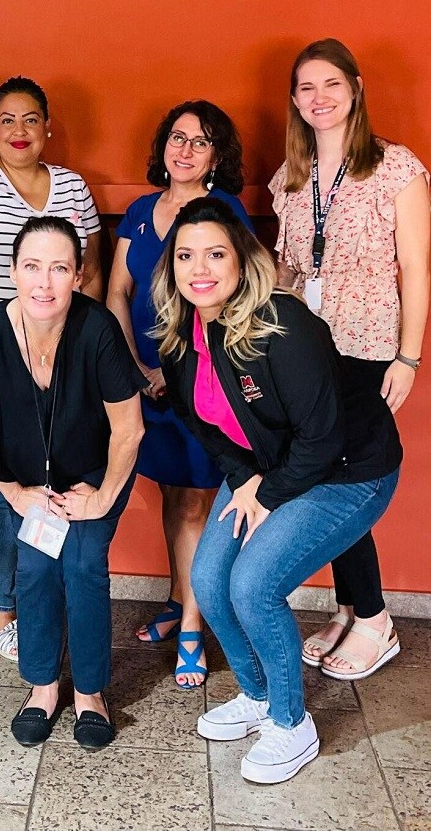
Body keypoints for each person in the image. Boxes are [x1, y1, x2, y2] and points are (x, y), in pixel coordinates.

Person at [153, 197, 401, 783]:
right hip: (270, 470)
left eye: (215, 253)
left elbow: (323, 436)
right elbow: (204, 427)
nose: (200, 268)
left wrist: (268, 493)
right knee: (210, 580)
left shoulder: (283, 326)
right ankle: (259, 696)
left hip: (349, 471)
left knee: (253, 584)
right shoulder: (182, 337)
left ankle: (292, 725)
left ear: (242, 260)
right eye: (185, 256)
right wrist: (246, 481)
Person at [0, 216, 146, 750]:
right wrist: (13, 492)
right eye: (32, 267)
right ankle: (41, 687)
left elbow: (129, 429)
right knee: (33, 566)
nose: (44, 282)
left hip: (97, 471)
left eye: (59, 268)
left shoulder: (97, 328)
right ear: (12, 272)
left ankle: (90, 693)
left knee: (80, 565)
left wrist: (102, 498)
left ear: (78, 276)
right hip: (30, 482)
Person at [270, 38, 429, 679]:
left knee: (350, 477)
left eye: (331, 84)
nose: (320, 98)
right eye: (306, 88)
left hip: (367, 348)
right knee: (325, 472)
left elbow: (416, 267)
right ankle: (348, 604)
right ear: (294, 100)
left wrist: (409, 357)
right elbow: (286, 266)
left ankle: (375, 619)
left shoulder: (396, 168)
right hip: (306, 351)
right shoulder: (291, 176)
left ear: (356, 87)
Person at [0, 76, 103, 661]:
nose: (19, 131)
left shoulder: (74, 188)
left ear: (48, 127)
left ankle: (33, 600)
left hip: (63, 355)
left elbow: (92, 273)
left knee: (50, 472)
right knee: (6, 479)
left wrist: (89, 348)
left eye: (31, 119)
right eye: (7, 119)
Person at [106, 100, 253, 688]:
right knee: (173, 496)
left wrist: (182, 372)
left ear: (217, 156)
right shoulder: (140, 213)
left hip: (201, 386)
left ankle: (193, 628)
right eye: (177, 137)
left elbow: (240, 295)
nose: (185, 148)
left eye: (200, 141)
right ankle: (176, 598)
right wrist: (138, 368)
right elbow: (118, 292)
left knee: (196, 501)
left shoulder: (226, 212)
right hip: (147, 382)